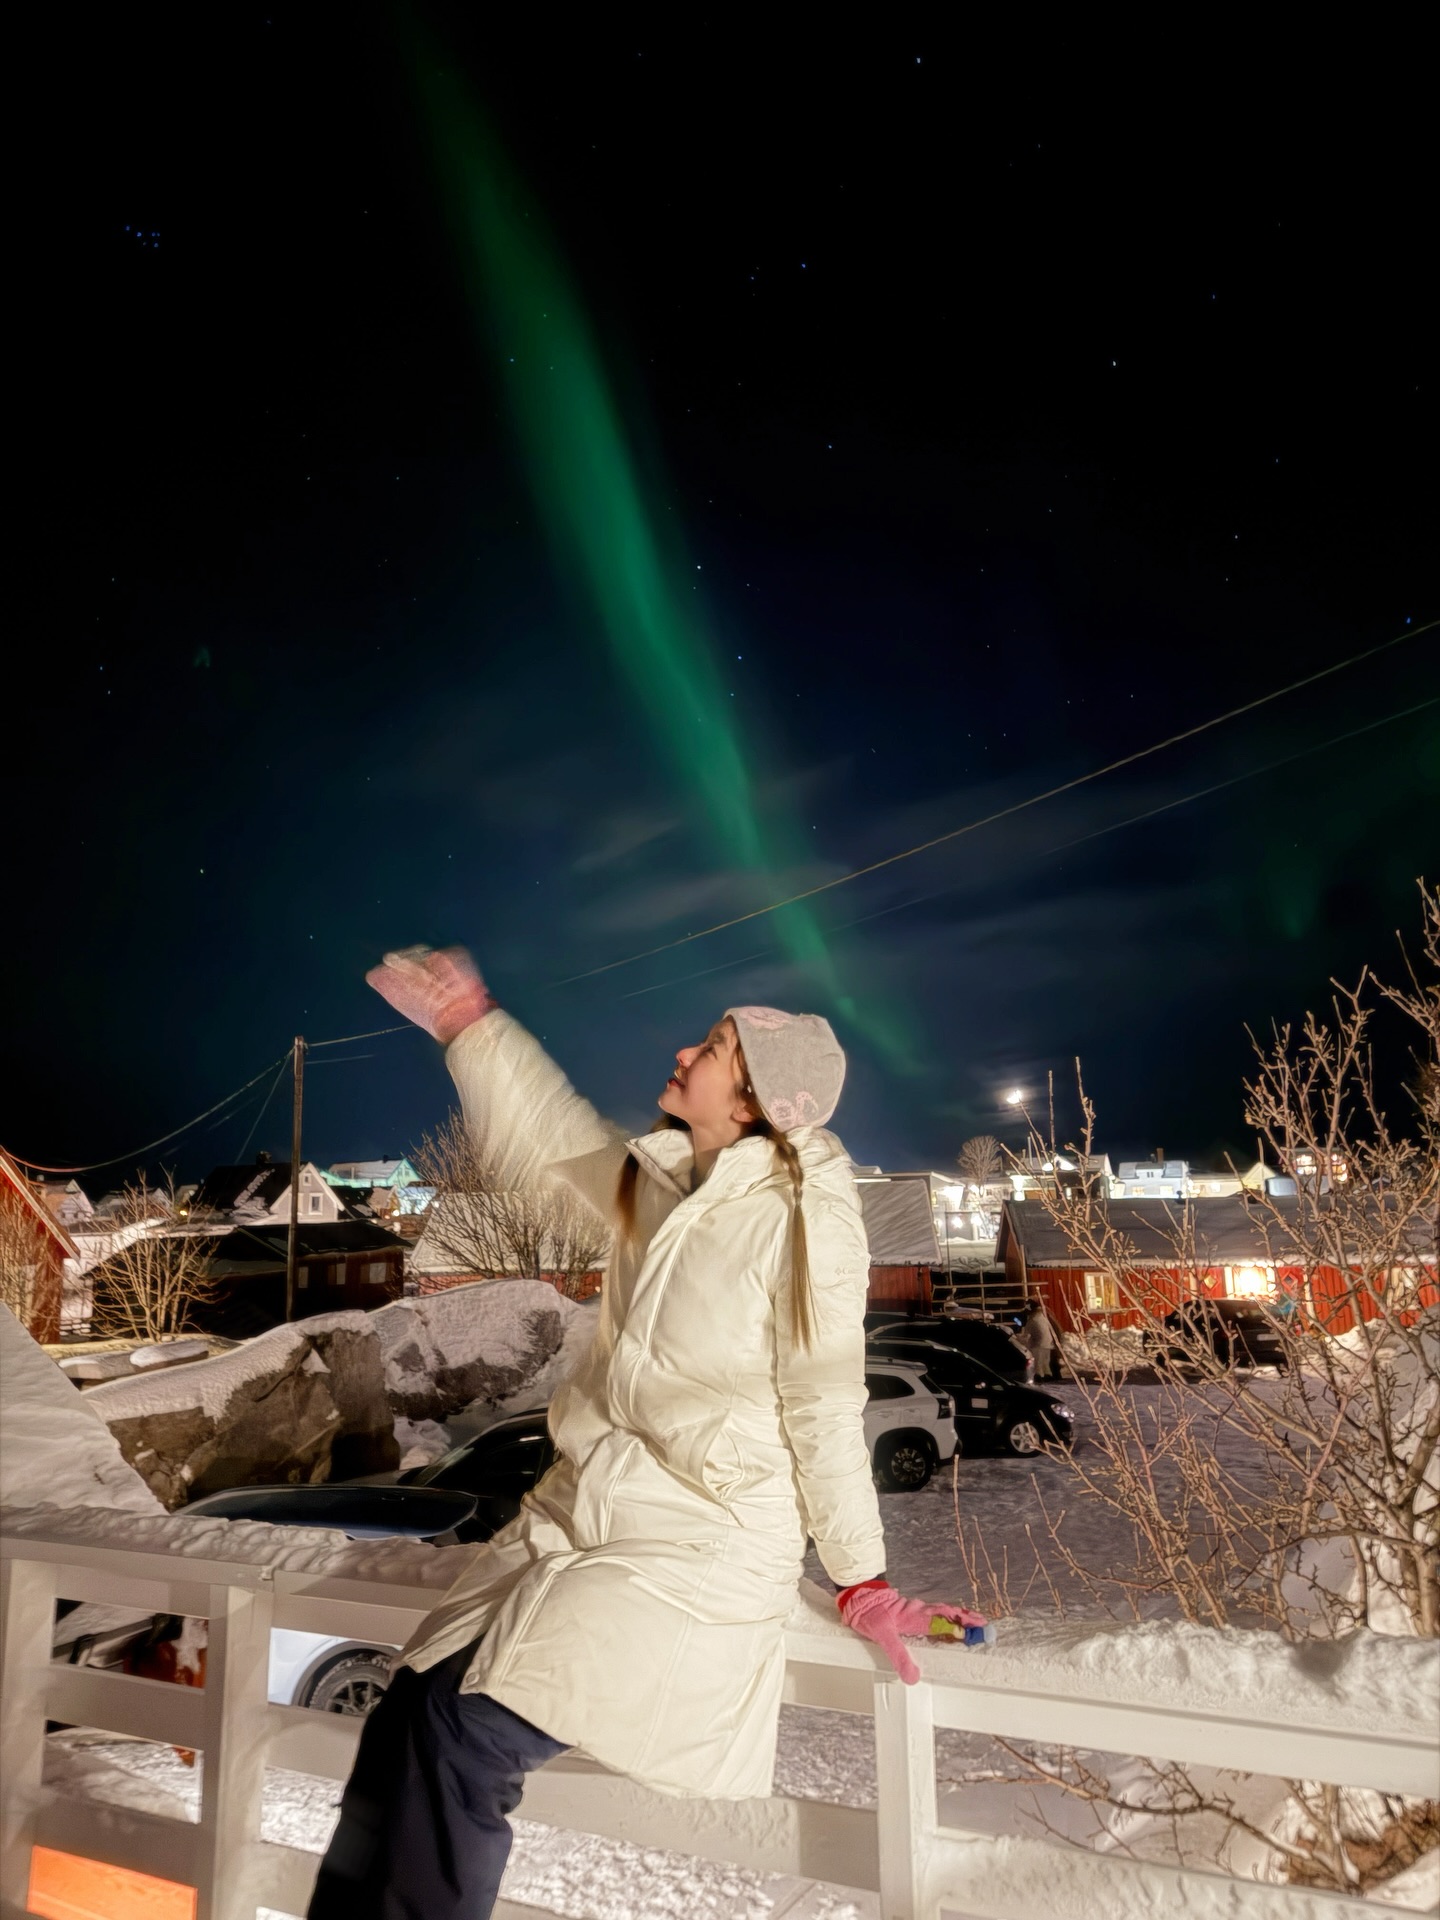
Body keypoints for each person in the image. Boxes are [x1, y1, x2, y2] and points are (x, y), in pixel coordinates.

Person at [307, 946, 985, 1920]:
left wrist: (862, 1575)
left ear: (755, 1102)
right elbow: (554, 1145)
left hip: (693, 1550)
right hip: (580, 1525)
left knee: (467, 1737)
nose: (683, 1051)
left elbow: (825, 1401)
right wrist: (473, 1027)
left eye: (712, 1048)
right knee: (405, 1716)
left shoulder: (804, 1223)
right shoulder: (670, 1189)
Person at [1016, 1297, 1058, 1380]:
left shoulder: (1033, 1320)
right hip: (1048, 1343)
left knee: (1038, 1365)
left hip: (1039, 1345)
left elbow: (1027, 1335)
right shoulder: (1042, 1317)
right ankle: (1048, 1376)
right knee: (1045, 1364)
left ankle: (1039, 1377)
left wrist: (1018, 1338)